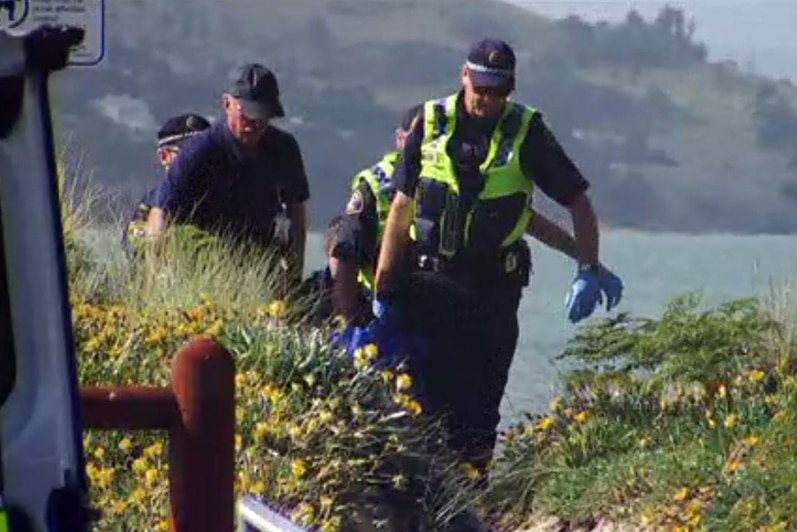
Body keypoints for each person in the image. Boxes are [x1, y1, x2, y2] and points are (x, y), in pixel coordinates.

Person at [372, 38, 624, 472]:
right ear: (464, 77)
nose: (487, 99)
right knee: (418, 404)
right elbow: (400, 211)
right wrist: (384, 289)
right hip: (428, 285)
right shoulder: (429, 124)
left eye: (498, 90)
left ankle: (473, 504)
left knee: (478, 414)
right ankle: (421, 505)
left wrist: (587, 267)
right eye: (481, 88)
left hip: (491, 293)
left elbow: (577, 202)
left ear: (511, 87)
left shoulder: (528, 134)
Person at [145, 63, 310, 284]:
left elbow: (297, 210)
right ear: (227, 103)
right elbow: (162, 212)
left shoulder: (284, 149)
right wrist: (156, 274)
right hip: (203, 265)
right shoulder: (200, 152)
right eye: (249, 116)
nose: (256, 124)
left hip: (259, 261)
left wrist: (294, 272)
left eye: (263, 117)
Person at [122, 113, 211, 257]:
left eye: (207, 153)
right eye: (189, 154)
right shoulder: (151, 204)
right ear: (164, 157)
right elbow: (137, 249)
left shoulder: (228, 194)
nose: (200, 160)